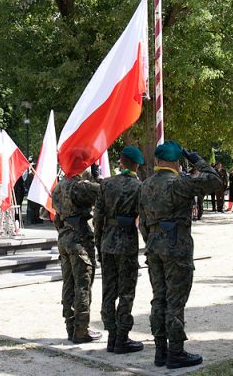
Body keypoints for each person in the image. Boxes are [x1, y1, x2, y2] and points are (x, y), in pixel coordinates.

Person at [139, 141, 222, 369]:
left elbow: (142, 221)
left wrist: (151, 241)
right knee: (175, 300)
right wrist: (197, 160)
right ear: (177, 161)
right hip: (176, 246)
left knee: (159, 298)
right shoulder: (180, 182)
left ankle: (160, 351)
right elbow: (214, 180)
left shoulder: (145, 185)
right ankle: (176, 352)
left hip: (154, 245)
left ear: (157, 160)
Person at [93, 146, 145, 354]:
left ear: (121, 163)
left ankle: (111, 336)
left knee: (108, 290)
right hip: (127, 243)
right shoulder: (138, 186)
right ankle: (122, 338)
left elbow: (98, 217)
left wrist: (98, 243)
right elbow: (144, 219)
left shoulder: (106, 184)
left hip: (107, 241)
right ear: (137, 164)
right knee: (126, 291)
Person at [52, 158, 101, 344]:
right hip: (79, 238)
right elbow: (103, 192)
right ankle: (81, 330)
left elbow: (55, 215)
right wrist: (95, 177)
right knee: (83, 284)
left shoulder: (58, 187)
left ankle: (70, 327)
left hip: (64, 236)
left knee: (68, 283)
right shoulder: (81, 187)